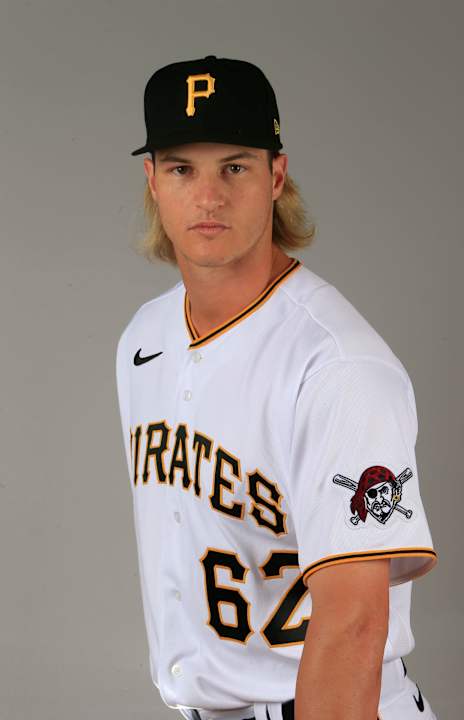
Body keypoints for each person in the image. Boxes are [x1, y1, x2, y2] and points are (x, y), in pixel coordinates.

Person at [115, 54, 439, 720]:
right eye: (182, 169)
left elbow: (352, 624)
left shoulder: (338, 366)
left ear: (276, 176)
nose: (208, 197)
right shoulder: (142, 340)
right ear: (152, 180)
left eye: (235, 167)